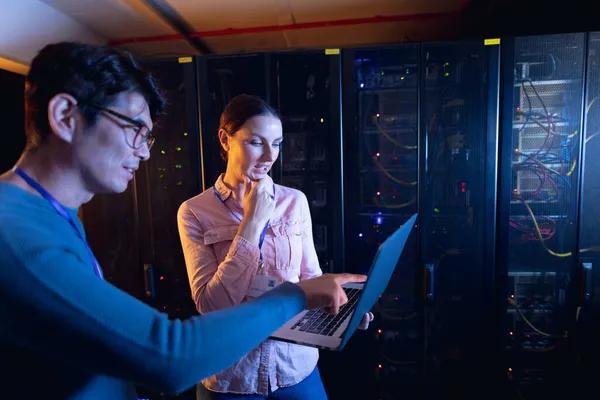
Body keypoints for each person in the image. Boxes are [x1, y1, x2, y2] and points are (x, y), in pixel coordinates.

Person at [0, 42, 367, 400]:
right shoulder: (14, 231)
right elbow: (170, 356)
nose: (144, 152)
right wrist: (296, 294)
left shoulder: (52, 216)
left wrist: (336, 306)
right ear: (66, 116)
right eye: (135, 130)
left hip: (294, 367)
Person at [177, 94, 374, 400]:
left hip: (295, 367)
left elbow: (310, 278)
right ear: (225, 140)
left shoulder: (294, 201)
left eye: (278, 143)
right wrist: (252, 221)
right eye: (256, 142)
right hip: (231, 375)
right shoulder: (193, 212)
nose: (270, 155)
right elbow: (210, 305)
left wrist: (342, 310)